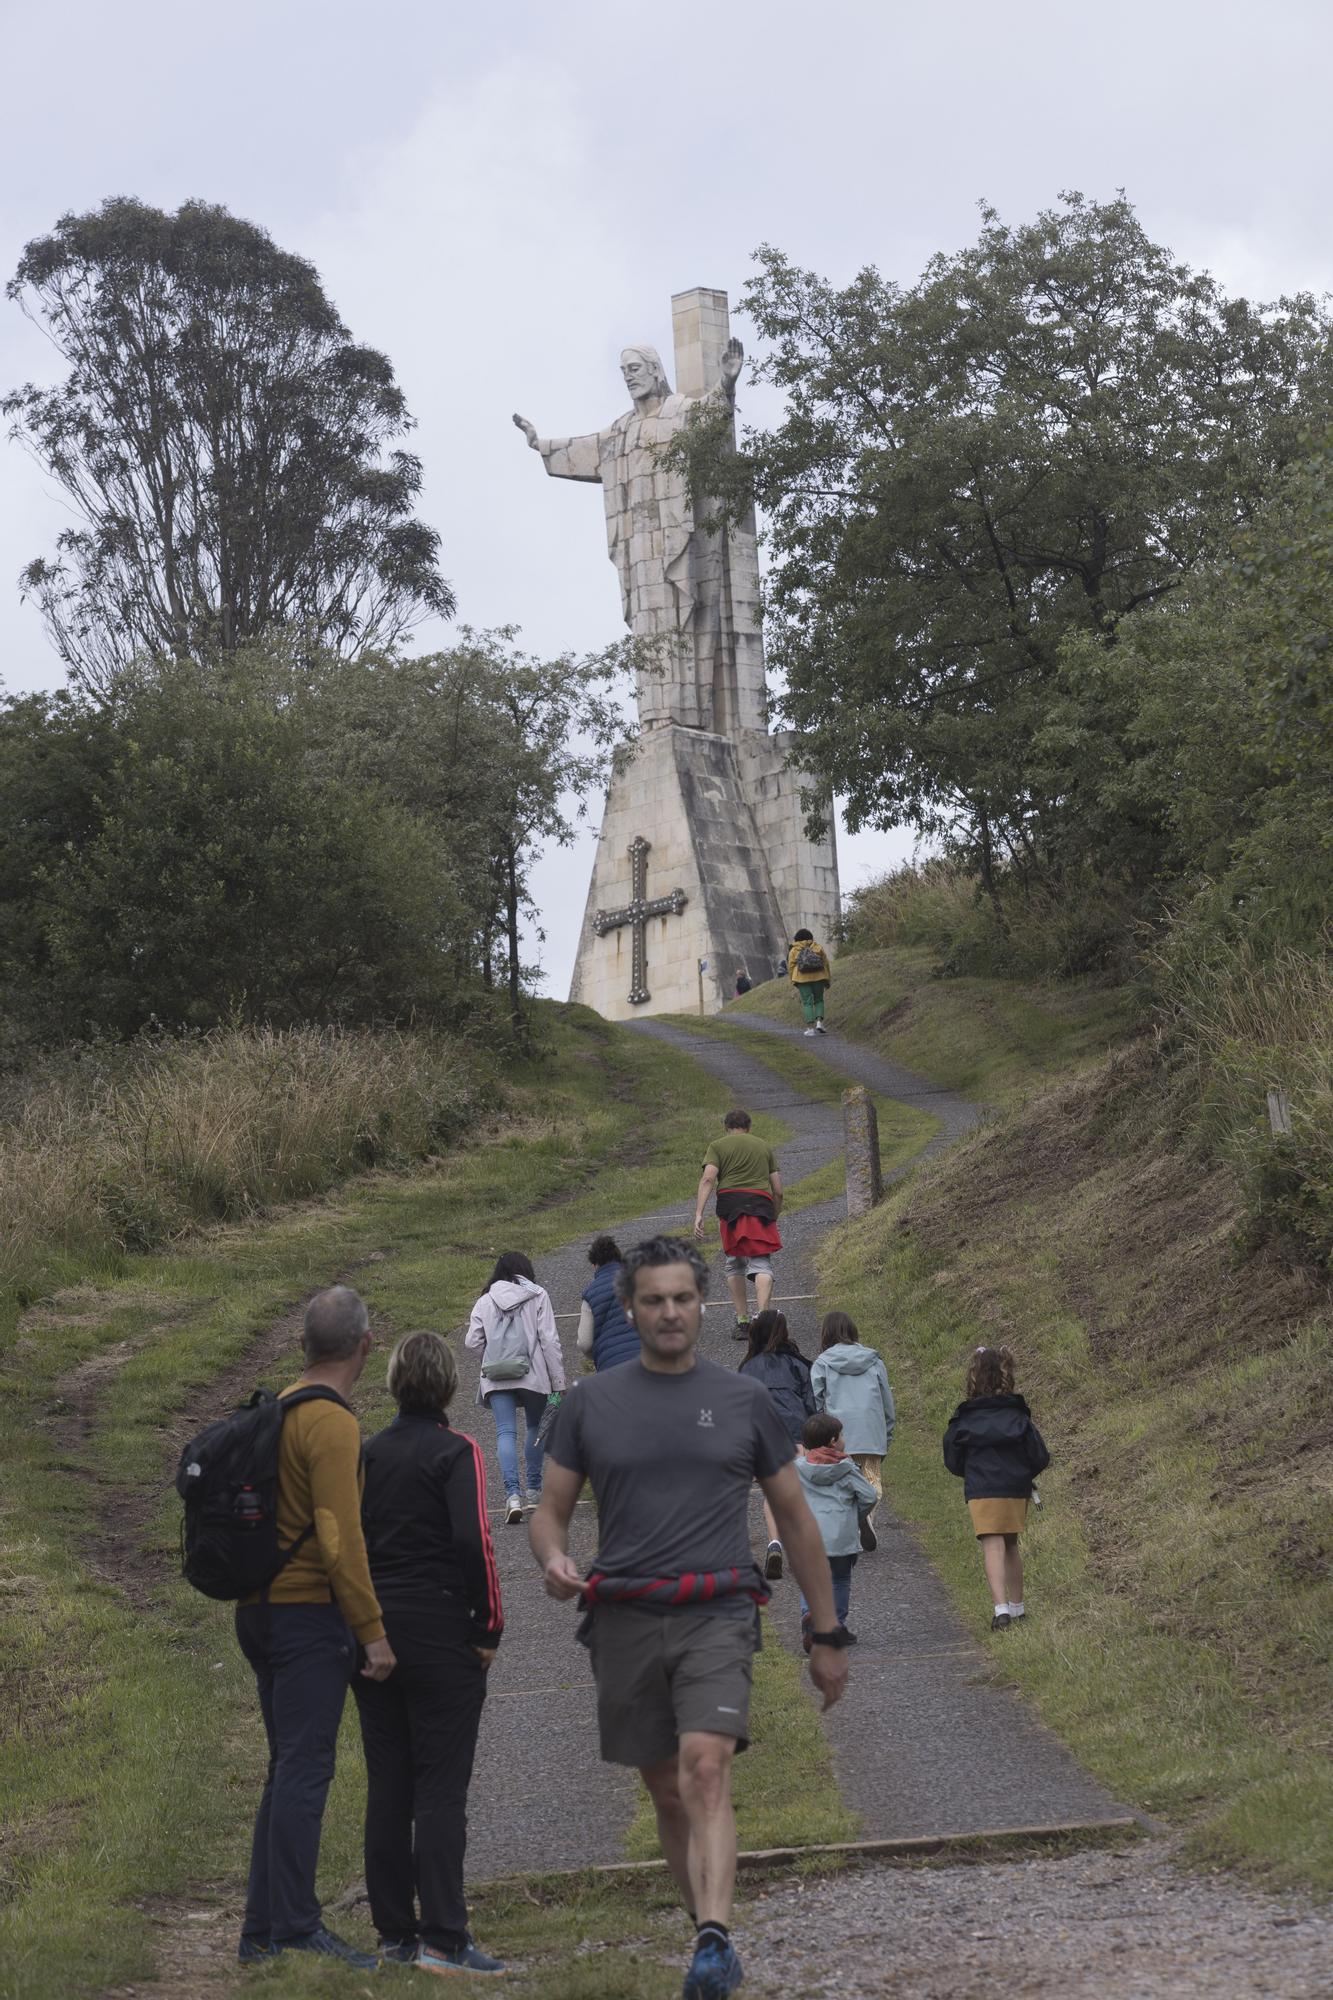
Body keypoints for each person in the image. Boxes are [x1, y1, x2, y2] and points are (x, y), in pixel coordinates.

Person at [530, 1236, 849, 2000]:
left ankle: (713, 1932)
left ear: (700, 1303)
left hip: (717, 1608)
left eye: (681, 1298)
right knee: (666, 1790)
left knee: (705, 1768)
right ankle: (707, 1944)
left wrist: (825, 1632)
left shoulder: (742, 1401)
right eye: (653, 1300)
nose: (669, 1312)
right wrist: (551, 1560)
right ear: (628, 1307)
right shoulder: (588, 1403)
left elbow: (795, 1519)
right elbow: (550, 1513)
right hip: (624, 1616)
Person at [235, 1286, 395, 1971]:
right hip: (305, 1619)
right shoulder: (331, 1423)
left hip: (258, 1611)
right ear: (364, 1346)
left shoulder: (282, 1407)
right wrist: (372, 1630)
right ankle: (296, 1926)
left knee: (285, 1770)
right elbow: (339, 1537)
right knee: (305, 1769)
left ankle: (262, 1930)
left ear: (305, 1345)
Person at [355, 1330, 505, 1975]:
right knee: (441, 1788)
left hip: (374, 1632)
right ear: (446, 1386)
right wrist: (487, 1627)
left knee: (388, 1784)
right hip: (440, 1629)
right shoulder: (457, 1451)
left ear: (393, 1384)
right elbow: (474, 1541)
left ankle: (395, 1934)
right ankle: (446, 1935)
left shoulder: (365, 1455)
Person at [943, 1344, 1051, 1631]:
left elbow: (952, 1458)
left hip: (982, 1487)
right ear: (1007, 1375)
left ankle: (1000, 1608)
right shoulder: (1019, 1417)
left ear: (973, 1377)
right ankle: (1018, 1607)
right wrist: (1024, 1473)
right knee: (1012, 1544)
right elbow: (1040, 1455)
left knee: (992, 1545)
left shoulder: (964, 1419)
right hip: (1015, 1486)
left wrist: (969, 1472)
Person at [465, 1252, 566, 1526]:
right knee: (535, 1426)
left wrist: (495, 1356)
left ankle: (512, 1496)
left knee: (505, 1432)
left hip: (496, 1376)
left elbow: (472, 1342)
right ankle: (534, 1491)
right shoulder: (538, 1295)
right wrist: (559, 1383)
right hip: (534, 1376)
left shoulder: (485, 1300)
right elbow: (549, 1341)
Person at [737, 1310, 816, 1581]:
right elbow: (811, 1404)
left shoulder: (747, 1368)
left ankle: (774, 1543)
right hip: (795, 1433)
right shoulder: (798, 1365)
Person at [693, 1107, 783, 1338]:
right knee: (761, 1262)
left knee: (735, 1263)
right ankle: (764, 1320)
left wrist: (699, 1213)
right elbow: (778, 1189)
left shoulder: (717, 1146)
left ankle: (742, 1322)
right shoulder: (763, 1146)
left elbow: (708, 1179)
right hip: (761, 1204)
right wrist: (774, 1213)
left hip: (730, 1206)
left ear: (726, 1127)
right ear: (749, 1127)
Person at [811, 1311, 896, 1553]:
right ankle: (865, 1517)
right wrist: (887, 1432)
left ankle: (853, 1523)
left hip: (836, 1433)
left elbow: (816, 1401)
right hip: (871, 1429)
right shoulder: (874, 1360)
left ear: (825, 1333)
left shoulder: (822, 1363)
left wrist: (818, 1433)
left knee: (841, 1481)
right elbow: (887, 1402)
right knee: (872, 1482)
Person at [795, 1414, 878, 1648]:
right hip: (840, 1536)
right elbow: (869, 1496)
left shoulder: (799, 1468)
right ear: (833, 1441)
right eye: (842, 1435)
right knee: (840, 1580)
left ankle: (809, 1616)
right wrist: (855, 1516)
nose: (844, 1439)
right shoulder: (846, 1467)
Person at [576, 1235, 642, 1371]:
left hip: (613, 1369)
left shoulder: (590, 1293)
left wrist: (600, 1355)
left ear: (594, 1265)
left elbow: (585, 1343)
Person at [787, 928, 832, 1036]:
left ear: (797, 938)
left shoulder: (794, 950)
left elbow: (791, 966)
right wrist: (827, 978)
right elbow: (825, 963)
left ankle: (810, 1029)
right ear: (810, 937)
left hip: (801, 979)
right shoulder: (817, 947)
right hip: (819, 977)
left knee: (807, 1002)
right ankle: (819, 1023)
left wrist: (793, 979)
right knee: (819, 1000)